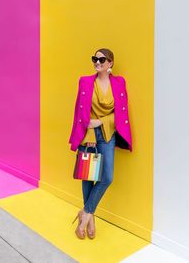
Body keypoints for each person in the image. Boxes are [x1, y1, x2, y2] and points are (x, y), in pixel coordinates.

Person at [69, 48, 132, 239]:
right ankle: (91, 219)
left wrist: (101, 122)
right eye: (94, 59)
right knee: (88, 176)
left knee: (107, 177)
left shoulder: (119, 83)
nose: (97, 62)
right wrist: (85, 132)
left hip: (108, 132)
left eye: (101, 59)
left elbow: (122, 111)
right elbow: (79, 109)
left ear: (110, 63)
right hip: (88, 133)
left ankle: (86, 213)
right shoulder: (85, 81)